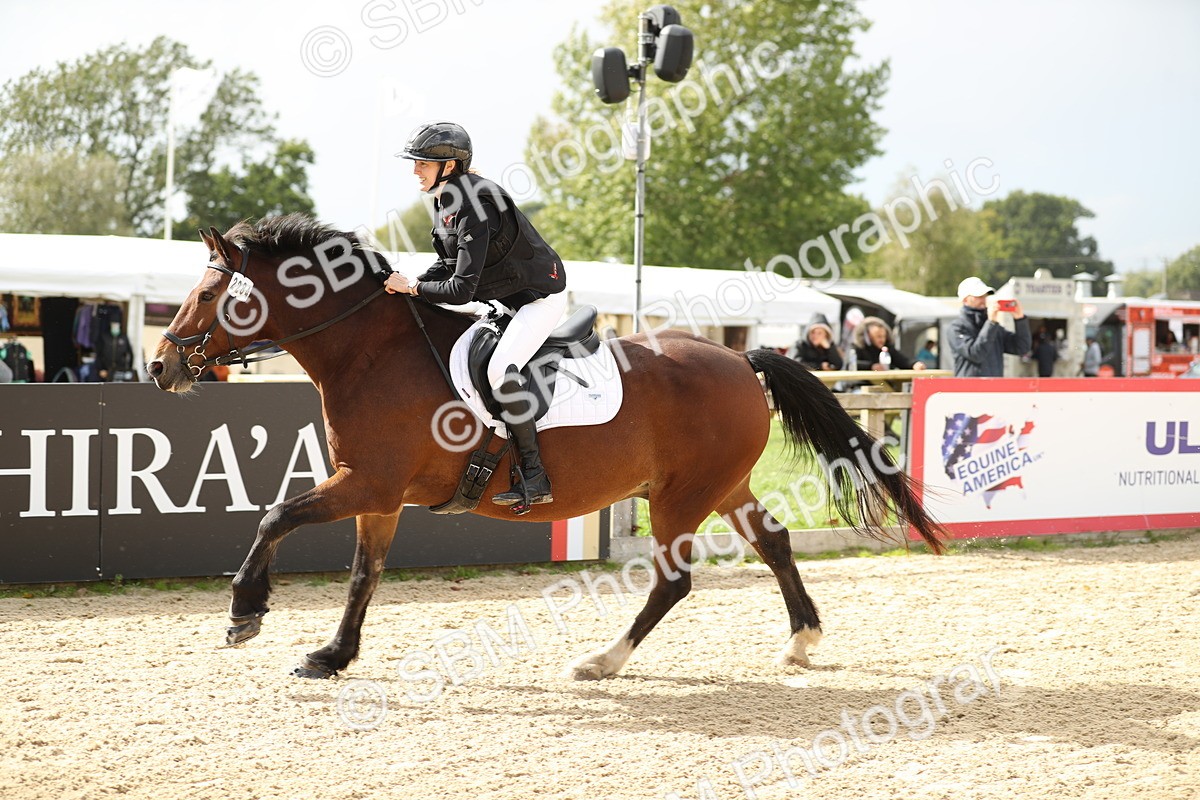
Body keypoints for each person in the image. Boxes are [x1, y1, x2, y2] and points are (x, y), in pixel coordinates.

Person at [386, 121, 567, 510]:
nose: (415, 170)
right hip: (504, 304)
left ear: (449, 166)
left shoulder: (476, 203)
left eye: (422, 163)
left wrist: (414, 289)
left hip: (539, 302)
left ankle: (535, 476)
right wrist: (406, 283)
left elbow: (460, 290)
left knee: (501, 369)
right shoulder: (446, 200)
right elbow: (446, 264)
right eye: (415, 163)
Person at [949, 276, 1032, 377]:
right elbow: (976, 354)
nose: (983, 300)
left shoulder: (992, 327)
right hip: (968, 391)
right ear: (965, 300)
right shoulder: (956, 327)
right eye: (978, 296)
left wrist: (1020, 319)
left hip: (994, 389)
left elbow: (1022, 347)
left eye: (985, 295)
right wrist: (991, 323)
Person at [853, 316, 925, 371]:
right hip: (860, 386)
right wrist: (871, 366)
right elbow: (851, 364)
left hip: (884, 385)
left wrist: (914, 364)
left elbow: (902, 361)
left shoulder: (888, 348)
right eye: (878, 336)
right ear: (868, 336)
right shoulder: (857, 347)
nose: (882, 339)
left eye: (884, 336)